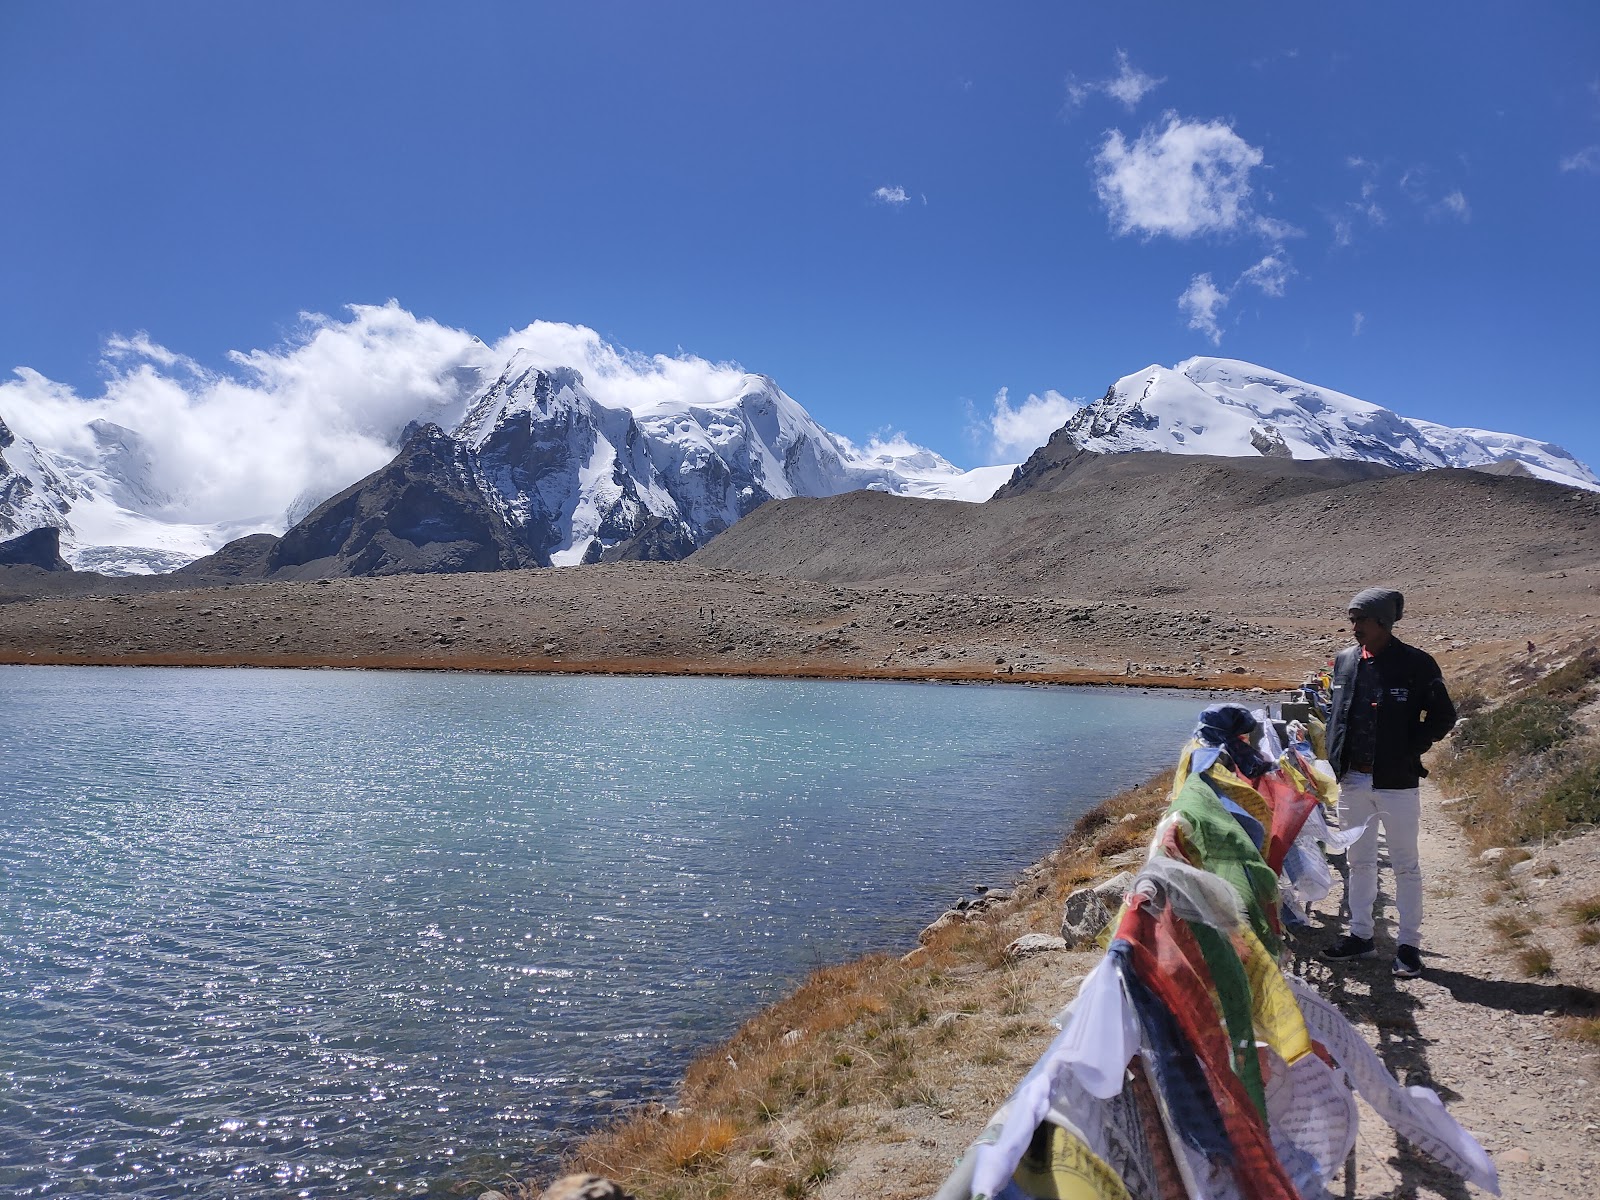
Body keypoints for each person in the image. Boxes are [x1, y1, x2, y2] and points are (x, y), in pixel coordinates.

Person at [1320, 587, 1457, 978]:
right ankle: (1360, 935)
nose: (1354, 626)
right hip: (1353, 781)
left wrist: (1407, 749)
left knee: (1405, 865)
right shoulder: (1345, 661)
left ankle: (1409, 945)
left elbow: (1443, 715)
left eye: (1361, 619)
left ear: (1383, 622)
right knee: (1358, 861)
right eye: (1352, 618)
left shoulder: (1417, 663)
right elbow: (1337, 715)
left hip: (1396, 782)